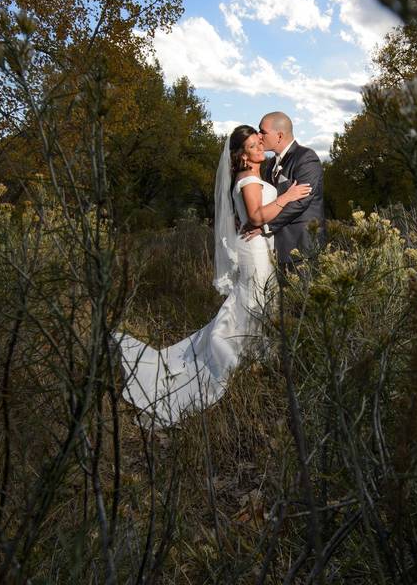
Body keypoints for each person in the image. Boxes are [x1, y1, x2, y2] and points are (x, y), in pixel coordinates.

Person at [114, 125, 312, 425]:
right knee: (255, 299)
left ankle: (254, 357)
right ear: (242, 156)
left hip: (257, 246)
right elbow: (257, 216)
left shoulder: (252, 177)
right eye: (252, 146)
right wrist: (289, 196)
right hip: (255, 250)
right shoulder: (247, 180)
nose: (259, 147)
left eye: (259, 142)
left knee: (255, 299)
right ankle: (242, 359)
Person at [254, 112, 326, 268]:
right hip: (277, 248)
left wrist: (265, 227)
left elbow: (300, 202)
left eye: (262, 132)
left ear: (279, 135)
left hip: (301, 248)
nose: (259, 136)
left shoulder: (306, 158)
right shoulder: (271, 163)